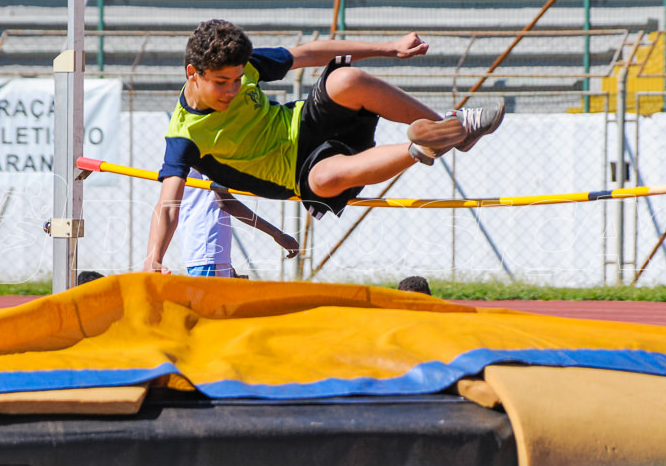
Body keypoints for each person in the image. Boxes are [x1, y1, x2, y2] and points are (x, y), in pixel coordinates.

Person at [144, 19, 504, 274]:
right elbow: (168, 204)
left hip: (304, 121)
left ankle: (450, 127)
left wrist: (389, 48)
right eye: (222, 83)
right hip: (296, 171)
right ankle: (424, 146)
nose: (233, 90)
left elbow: (310, 53)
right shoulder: (185, 136)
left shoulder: (246, 66)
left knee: (344, 78)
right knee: (325, 179)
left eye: (238, 80)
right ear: (194, 72)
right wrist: (153, 257)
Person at [179, 167, 298, 277]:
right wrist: (277, 234)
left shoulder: (184, 152)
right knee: (208, 299)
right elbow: (225, 202)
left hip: (203, 249)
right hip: (208, 251)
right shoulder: (205, 151)